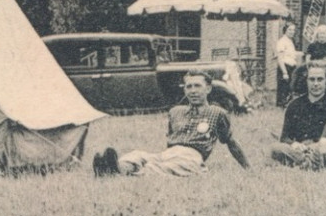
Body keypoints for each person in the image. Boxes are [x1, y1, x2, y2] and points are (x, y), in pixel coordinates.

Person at [94, 70, 250, 177]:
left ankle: (124, 174)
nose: (193, 91)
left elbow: (231, 142)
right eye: (189, 87)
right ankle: (114, 169)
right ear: (184, 90)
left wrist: (248, 168)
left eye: (198, 86)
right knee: (137, 155)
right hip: (168, 153)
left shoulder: (217, 113)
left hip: (192, 157)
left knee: (169, 167)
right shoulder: (175, 111)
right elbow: (170, 138)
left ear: (208, 89)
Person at [269, 64, 326, 169]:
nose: (316, 84)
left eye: (320, 79)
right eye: (312, 79)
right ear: (305, 81)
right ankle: (312, 163)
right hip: (302, 151)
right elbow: (284, 137)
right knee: (275, 148)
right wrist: (294, 144)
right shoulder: (294, 105)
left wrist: (324, 140)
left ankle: (316, 164)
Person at [274, 20, 300, 107]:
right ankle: (281, 105)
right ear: (285, 30)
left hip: (292, 67)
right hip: (285, 67)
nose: (292, 32)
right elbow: (280, 58)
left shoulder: (290, 41)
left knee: (290, 87)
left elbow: (291, 54)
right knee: (283, 87)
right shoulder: (282, 42)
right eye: (290, 30)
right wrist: (284, 72)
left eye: (293, 30)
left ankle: (288, 104)